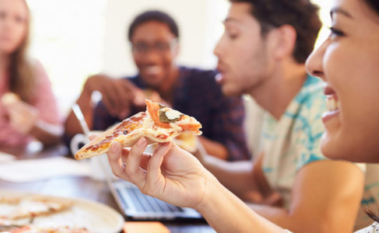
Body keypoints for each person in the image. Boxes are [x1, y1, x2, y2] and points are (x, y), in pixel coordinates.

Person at [106, 0, 379, 232]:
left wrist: (211, 203)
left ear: (281, 42)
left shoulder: (320, 104)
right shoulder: (282, 110)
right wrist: (200, 163)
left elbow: (318, 227)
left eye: (233, 34)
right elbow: (259, 178)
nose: (216, 49)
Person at [64, 10, 249, 161]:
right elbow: (76, 141)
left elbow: (236, 155)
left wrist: (173, 124)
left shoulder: (215, 85)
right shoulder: (125, 90)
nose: (151, 57)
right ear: (131, 50)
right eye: (141, 47)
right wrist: (87, 89)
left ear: (177, 48)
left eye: (161, 46)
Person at [0, 0, 62, 147]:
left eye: (19, 19)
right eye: (0, 15)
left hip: (16, 163)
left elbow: (59, 133)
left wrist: (35, 127)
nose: (9, 26)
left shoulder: (34, 73)